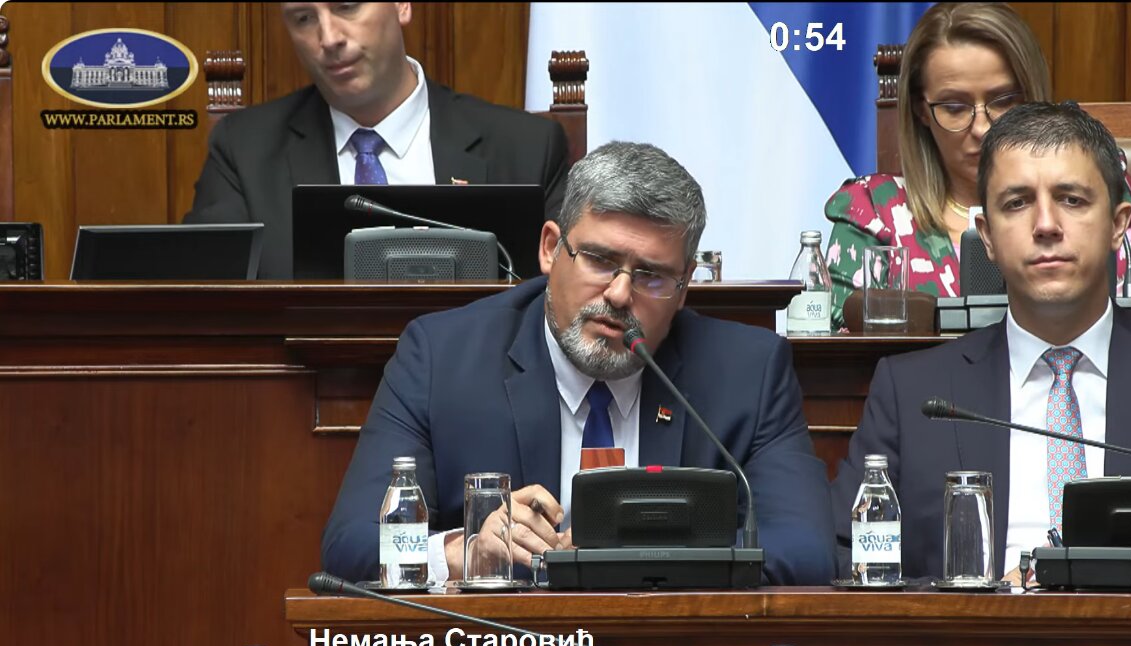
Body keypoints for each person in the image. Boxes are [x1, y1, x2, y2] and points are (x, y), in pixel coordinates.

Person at [321, 141, 836, 586]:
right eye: (600, 261)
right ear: (550, 249)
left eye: (652, 276)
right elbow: (351, 545)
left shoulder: (748, 372)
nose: (619, 294)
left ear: (683, 291)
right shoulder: (443, 358)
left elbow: (807, 550)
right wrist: (466, 551)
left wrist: (648, 561)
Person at [830, 101, 1131, 581]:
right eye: (1017, 203)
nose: (1046, 225)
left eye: (1072, 199)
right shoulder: (913, 394)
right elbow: (851, 560)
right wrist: (980, 596)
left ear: (1118, 224)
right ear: (987, 236)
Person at [824, 2, 1131, 329]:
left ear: (1032, 95)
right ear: (920, 110)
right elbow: (842, 344)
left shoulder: (1097, 185)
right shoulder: (874, 210)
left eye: (1003, 101)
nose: (982, 128)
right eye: (954, 107)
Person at [183, 2, 568, 279]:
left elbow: (564, 302)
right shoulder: (244, 151)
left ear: (402, 6)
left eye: (347, 7)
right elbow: (206, 304)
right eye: (303, 18)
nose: (328, 38)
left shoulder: (527, 148)